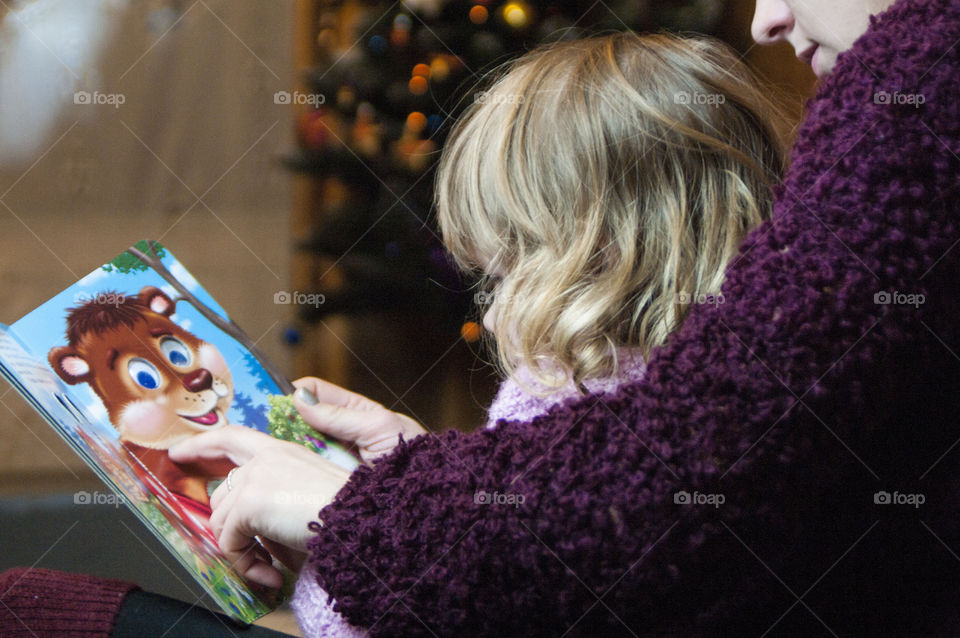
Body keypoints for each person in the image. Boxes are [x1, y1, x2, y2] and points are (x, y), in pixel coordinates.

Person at [4, 0, 960, 634]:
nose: (768, 15)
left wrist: (336, 538)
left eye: (504, 269)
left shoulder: (605, 396)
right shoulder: (697, 376)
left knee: (35, 605)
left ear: (592, 256)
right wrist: (408, 476)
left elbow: (537, 569)